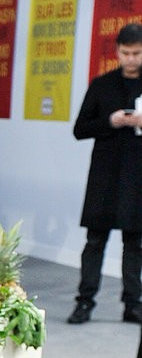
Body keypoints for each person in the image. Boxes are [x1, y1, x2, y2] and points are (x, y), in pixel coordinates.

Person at [67, 21, 142, 324]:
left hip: (137, 176)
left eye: (137, 53)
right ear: (117, 52)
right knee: (95, 241)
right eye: (126, 53)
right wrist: (110, 121)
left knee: (135, 243)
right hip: (105, 175)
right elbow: (79, 129)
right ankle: (84, 302)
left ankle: (132, 304)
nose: (131, 59)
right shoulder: (102, 84)